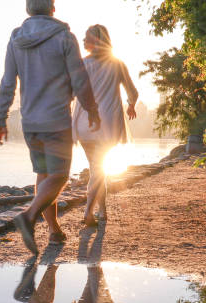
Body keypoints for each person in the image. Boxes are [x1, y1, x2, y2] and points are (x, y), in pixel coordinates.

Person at [0, 0, 100, 254]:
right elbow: (79, 79)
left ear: (28, 10)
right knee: (60, 175)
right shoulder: (65, 37)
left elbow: (8, 81)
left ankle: (54, 232)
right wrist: (92, 108)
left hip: (29, 122)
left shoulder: (16, 39)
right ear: (53, 9)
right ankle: (28, 217)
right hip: (56, 119)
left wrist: (1, 118)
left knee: (44, 174)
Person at [72, 24, 139, 226]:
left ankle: (99, 211)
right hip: (108, 124)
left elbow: (71, 93)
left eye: (87, 37)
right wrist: (131, 105)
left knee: (96, 168)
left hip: (84, 123)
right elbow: (133, 92)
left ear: (97, 41)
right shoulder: (117, 64)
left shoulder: (81, 64)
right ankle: (90, 212)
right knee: (97, 169)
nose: (83, 41)